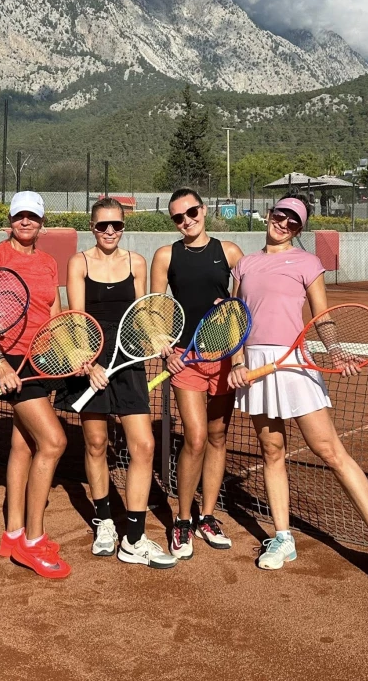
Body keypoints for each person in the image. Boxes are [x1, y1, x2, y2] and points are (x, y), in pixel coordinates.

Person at [228, 195, 368, 592]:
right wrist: (238, 362)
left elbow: (322, 317)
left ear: (300, 229)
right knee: (271, 450)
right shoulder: (245, 264)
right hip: (256, 364)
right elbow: (236, 318)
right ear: (269, 214)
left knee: (330, 451)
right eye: (280, 215)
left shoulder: (308, 263)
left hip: (294, 363)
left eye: (294, 221)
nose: (284, 224)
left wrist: (336, 350)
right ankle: (283, 537)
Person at [56, 197, 176, 569]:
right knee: (96, 443)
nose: (110, 231)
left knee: (143, 445)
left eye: (117, 225)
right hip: (90, 359)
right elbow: (77, 316)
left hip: (128, 359)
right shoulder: (79, 262)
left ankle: (134, 538)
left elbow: (142, 313)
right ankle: (104, 520)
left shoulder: (136, 262)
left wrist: (158, 339)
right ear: (92, 227)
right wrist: (87, 361)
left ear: (123, 227)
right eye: (102, 225)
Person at [0, 190, 71, 579]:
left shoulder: (48, 263)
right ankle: (33, 541)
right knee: (54, 442)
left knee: (23, 445)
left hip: (41, 359)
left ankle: (13, 534)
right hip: (9, 359)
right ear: (11, 221)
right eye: (19, 216)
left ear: (42, 222)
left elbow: (54, 311)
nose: (26, 221)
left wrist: (70, 352)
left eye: (32, 216)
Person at [150, 188, 243, 559]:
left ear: (203, 211)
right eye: (178, 217)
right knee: (197, 437)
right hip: (185, 360)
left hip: (224, 358)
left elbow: (242, 305)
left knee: (218, 436)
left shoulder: (230, 252)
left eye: (191, 212)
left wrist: (231, 310)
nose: (186, 220)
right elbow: (154, 309)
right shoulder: (166, 255)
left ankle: (207, 516)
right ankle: (183, 519)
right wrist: (163, 345)